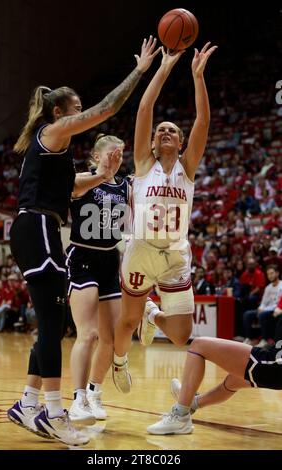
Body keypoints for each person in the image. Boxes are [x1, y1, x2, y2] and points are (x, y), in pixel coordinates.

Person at [7, 36, 159, 446]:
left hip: (41, 227)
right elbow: (107, 108)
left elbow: (73, 188)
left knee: (50, 326)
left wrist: (104, 178)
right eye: (77, 109)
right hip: (37, 226)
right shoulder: (53, 130)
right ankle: (54, 412)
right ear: (60, 112)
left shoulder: (57, 153)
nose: (82, 114)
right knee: (55, 326)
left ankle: (28, 401)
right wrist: (141, 72)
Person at [112, 42, 217, 393]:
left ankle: (153, 313)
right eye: (161, 130)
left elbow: (204, 119)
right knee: (126, 320)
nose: (166, 131)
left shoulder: (187, 168)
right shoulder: (144, 164)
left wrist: (197, 76)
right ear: (153, 144)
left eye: (173, 129)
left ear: (181, 140)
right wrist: (165, 67)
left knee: (181, 334)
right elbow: (145, 107)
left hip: (174, 254)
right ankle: (120, 362)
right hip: (141, 248)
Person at [66, 134, 129, 424]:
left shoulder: (125, 186)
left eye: (120, 157)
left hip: (108, 259)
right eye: (111, 156)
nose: (116, 161)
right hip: (82, 257)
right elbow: (73, 188)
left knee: (113, 337)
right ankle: (77, 398)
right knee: (88, 333)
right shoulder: (83, 178)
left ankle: (94, 391)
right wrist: (101, 173)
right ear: (96, 157)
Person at [147, 336, 282, 435]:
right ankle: (193, 403)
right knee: (234, 380)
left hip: (276, 363)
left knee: (199, 345)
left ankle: (181, 416)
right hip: (275, 358)